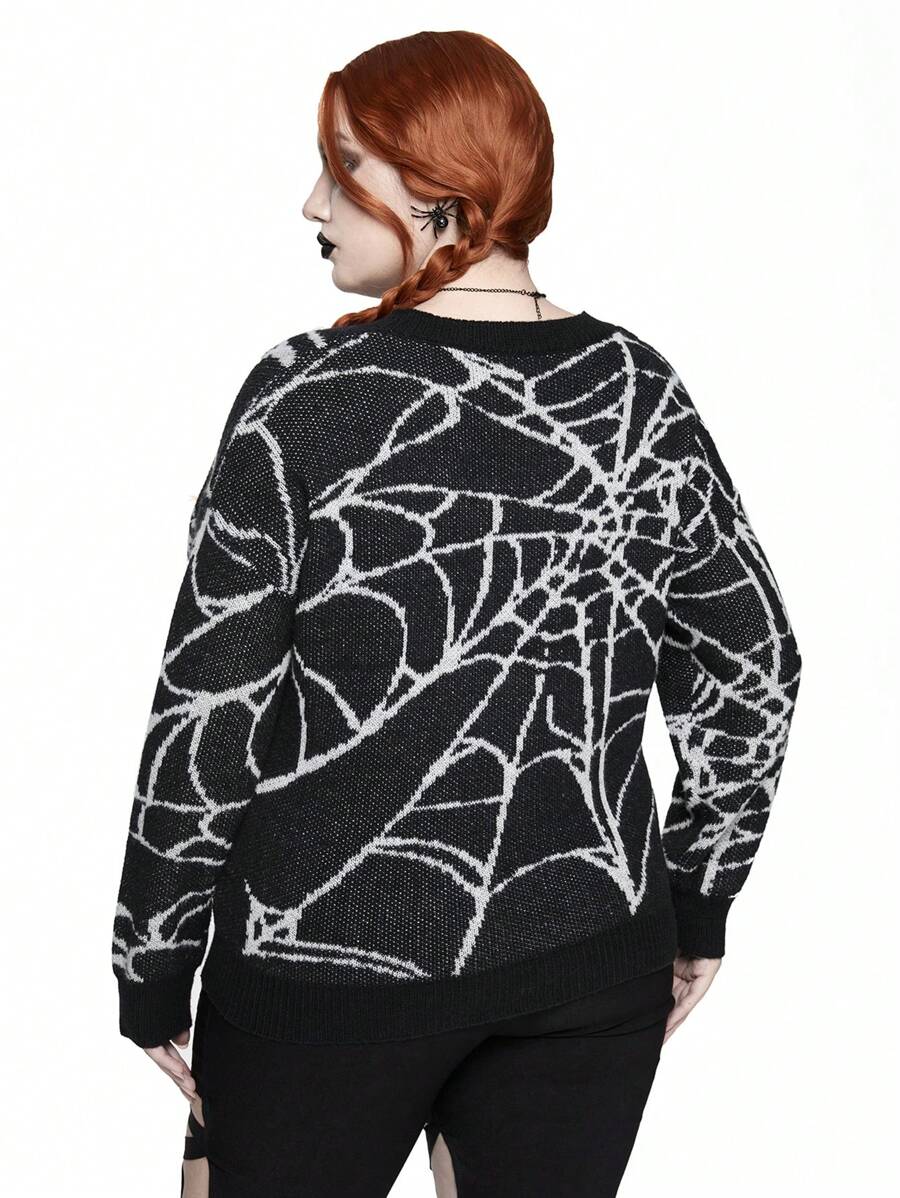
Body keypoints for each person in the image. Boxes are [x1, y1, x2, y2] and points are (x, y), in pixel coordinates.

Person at [110, 29, 803, 1198]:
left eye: (344, 166)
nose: (313, 202)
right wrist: (697, 897)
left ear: (441, 189)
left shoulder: (302, 394)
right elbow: (755, 662)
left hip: (317, 976)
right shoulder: (640, 387)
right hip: (594, 958)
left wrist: (153, 956)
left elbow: (209, 705)